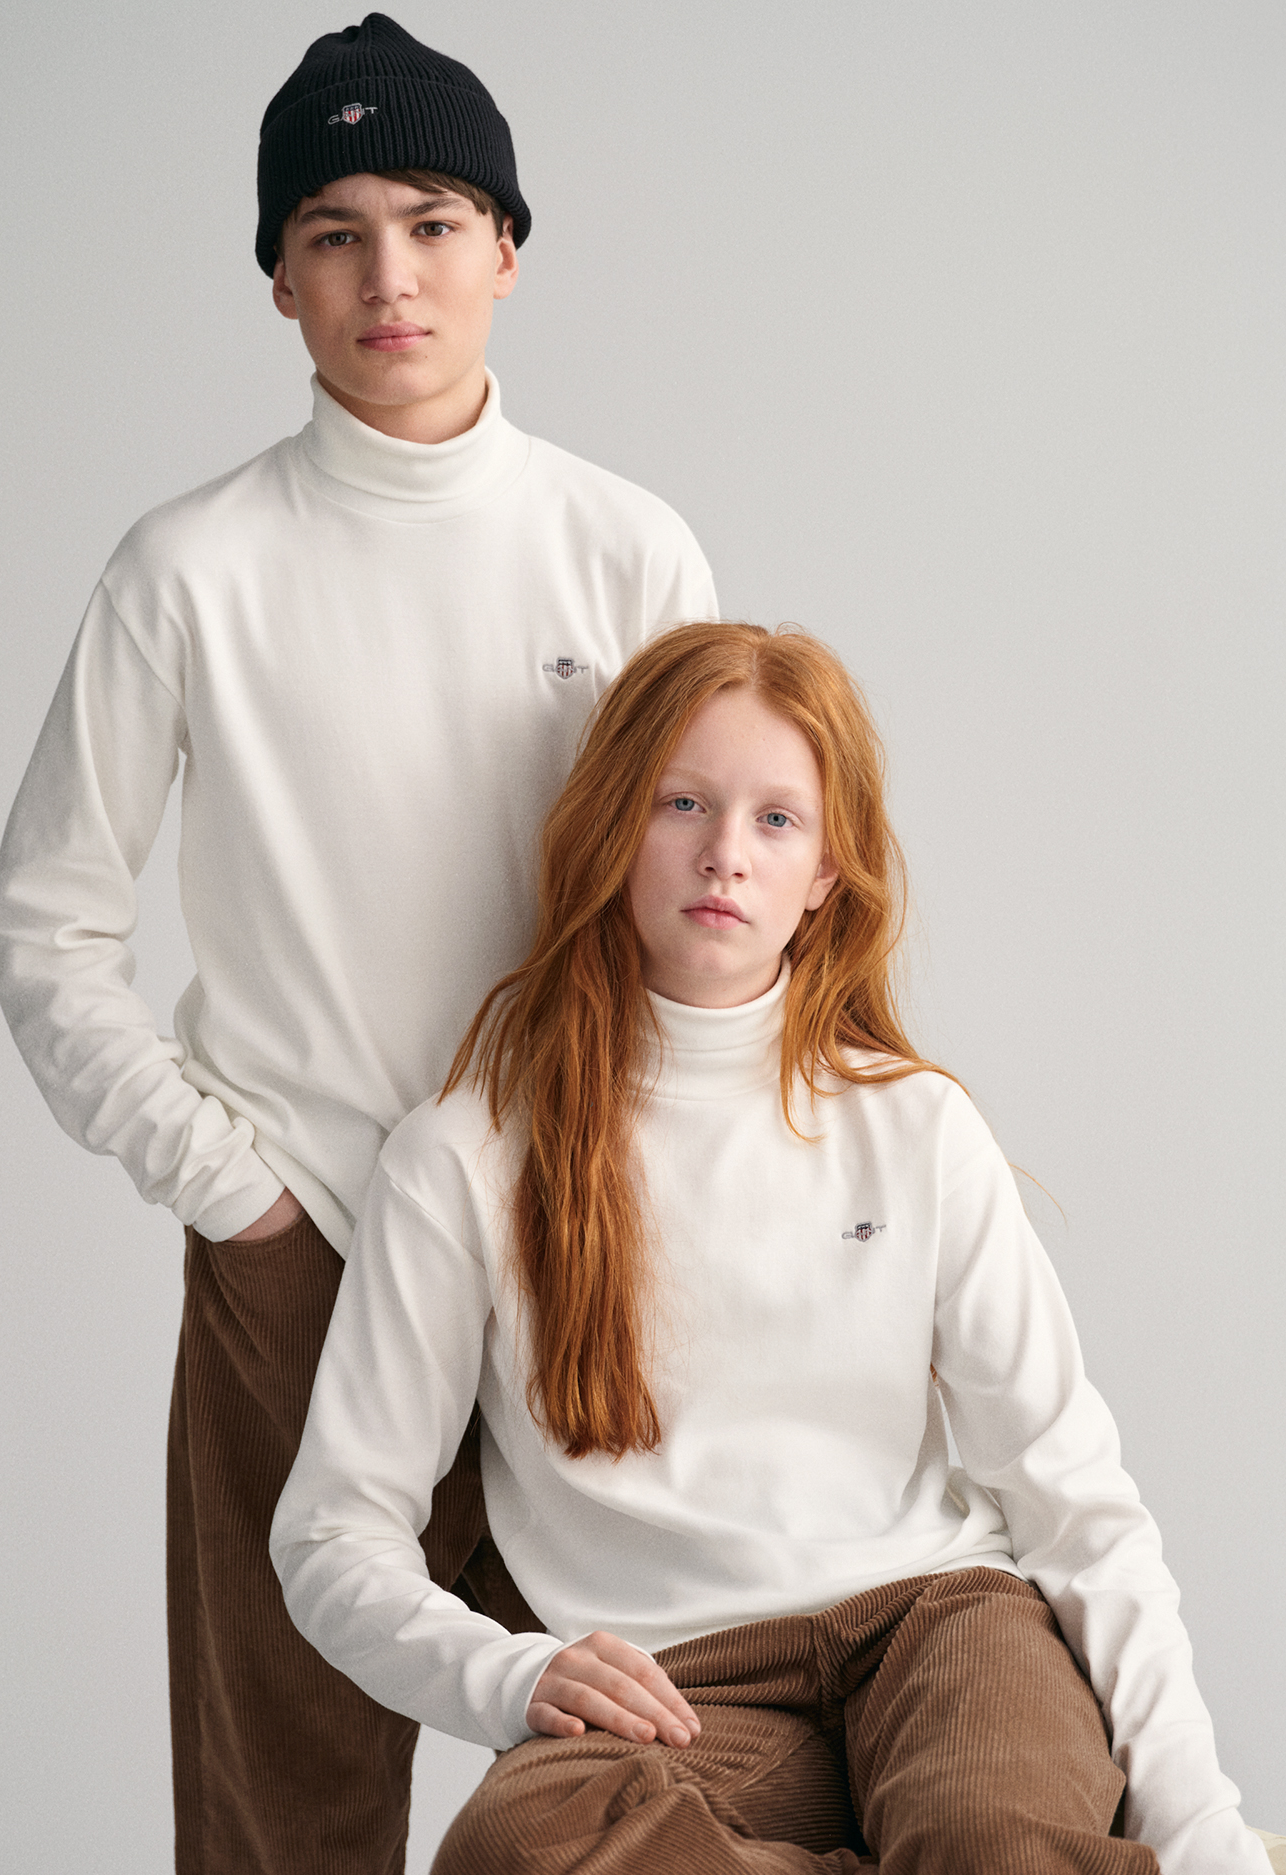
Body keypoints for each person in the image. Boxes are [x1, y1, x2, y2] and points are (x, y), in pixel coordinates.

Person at [0, 14, 715, 1873]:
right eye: (335, 233)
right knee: (283, 1801)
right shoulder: (187, 570)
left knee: (650, 1755)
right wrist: (233, 1193)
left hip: (577, 1229)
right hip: (298, 1245)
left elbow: (710, 898)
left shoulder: (628, 553)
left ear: (507, 251)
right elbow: (48, 921)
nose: (391, 275)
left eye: (435, 221)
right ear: (281, 280)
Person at [273, 622, 1269, 1875]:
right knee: (521, 1849)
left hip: (943, 1624)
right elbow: (332, 1533)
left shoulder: (916, 1127)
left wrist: (1206, 1836)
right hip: (682, 1692)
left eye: (777, 820)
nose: (725, 854)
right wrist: (509, 1674)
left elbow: (1077, 1503)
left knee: (990, 1842)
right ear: (612, 828)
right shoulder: (464, 1155)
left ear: (826, 875)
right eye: (681, 803)